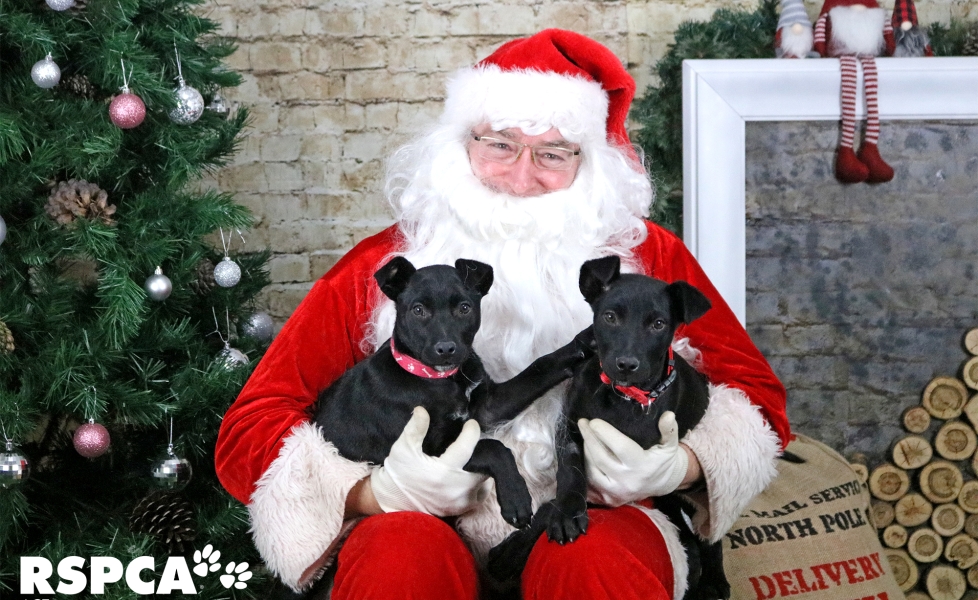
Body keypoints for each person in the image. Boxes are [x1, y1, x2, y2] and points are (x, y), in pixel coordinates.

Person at [215, 29, 790, 600]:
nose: (521, 177)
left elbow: (758, 399)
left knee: (595, 562)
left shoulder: (649, 257)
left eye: (552, 154)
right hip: (421, 523)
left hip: (595, 510)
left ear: (588, 164)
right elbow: (249, 432)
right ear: (461, 146)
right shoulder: (386, 265)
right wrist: (374, 493)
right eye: (500, 145)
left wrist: (682, 466)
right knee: (397, 559)